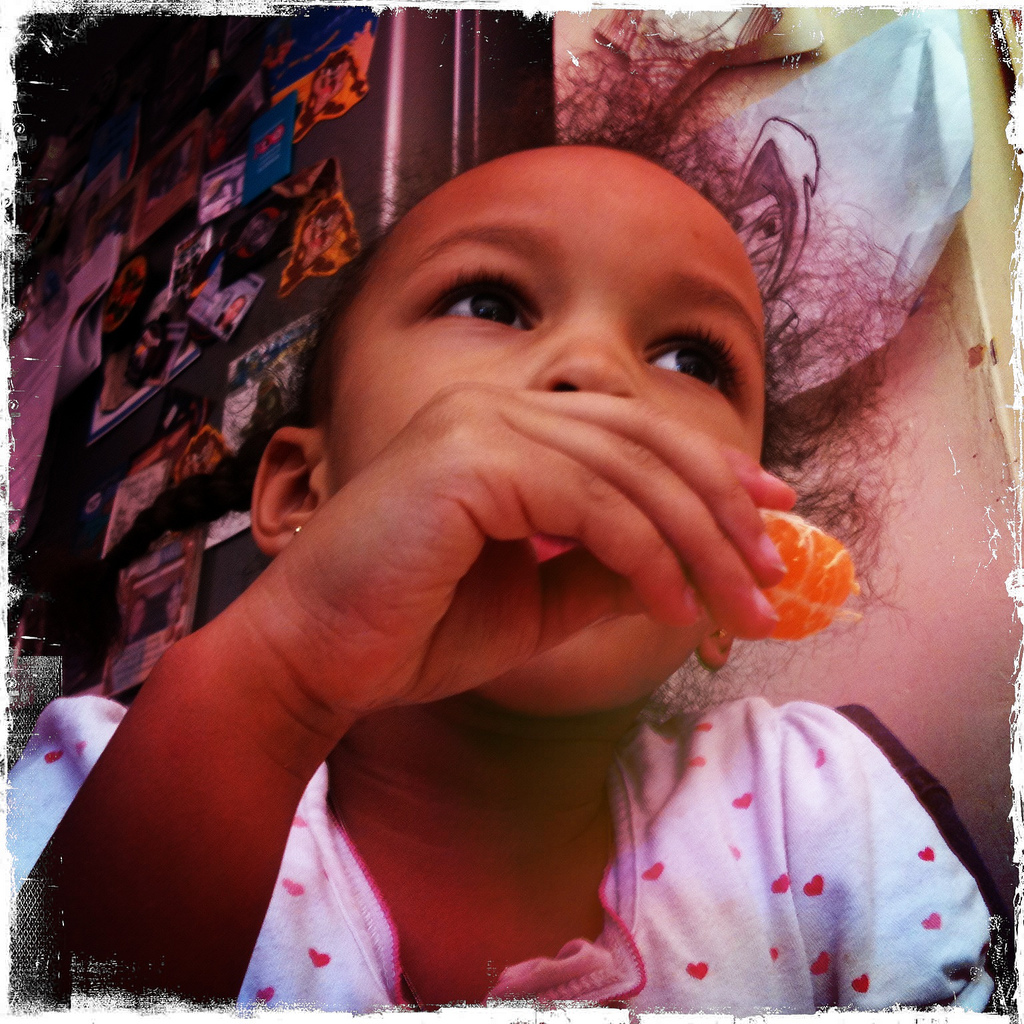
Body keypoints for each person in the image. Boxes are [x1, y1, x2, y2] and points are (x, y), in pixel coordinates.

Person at [11, 146, 994, 1012]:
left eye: (690, 358)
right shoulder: (122, 783)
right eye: (490, 304)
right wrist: (280, 681)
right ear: (306, 493)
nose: (592, 371)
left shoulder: (813, 803)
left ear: (732, 599)